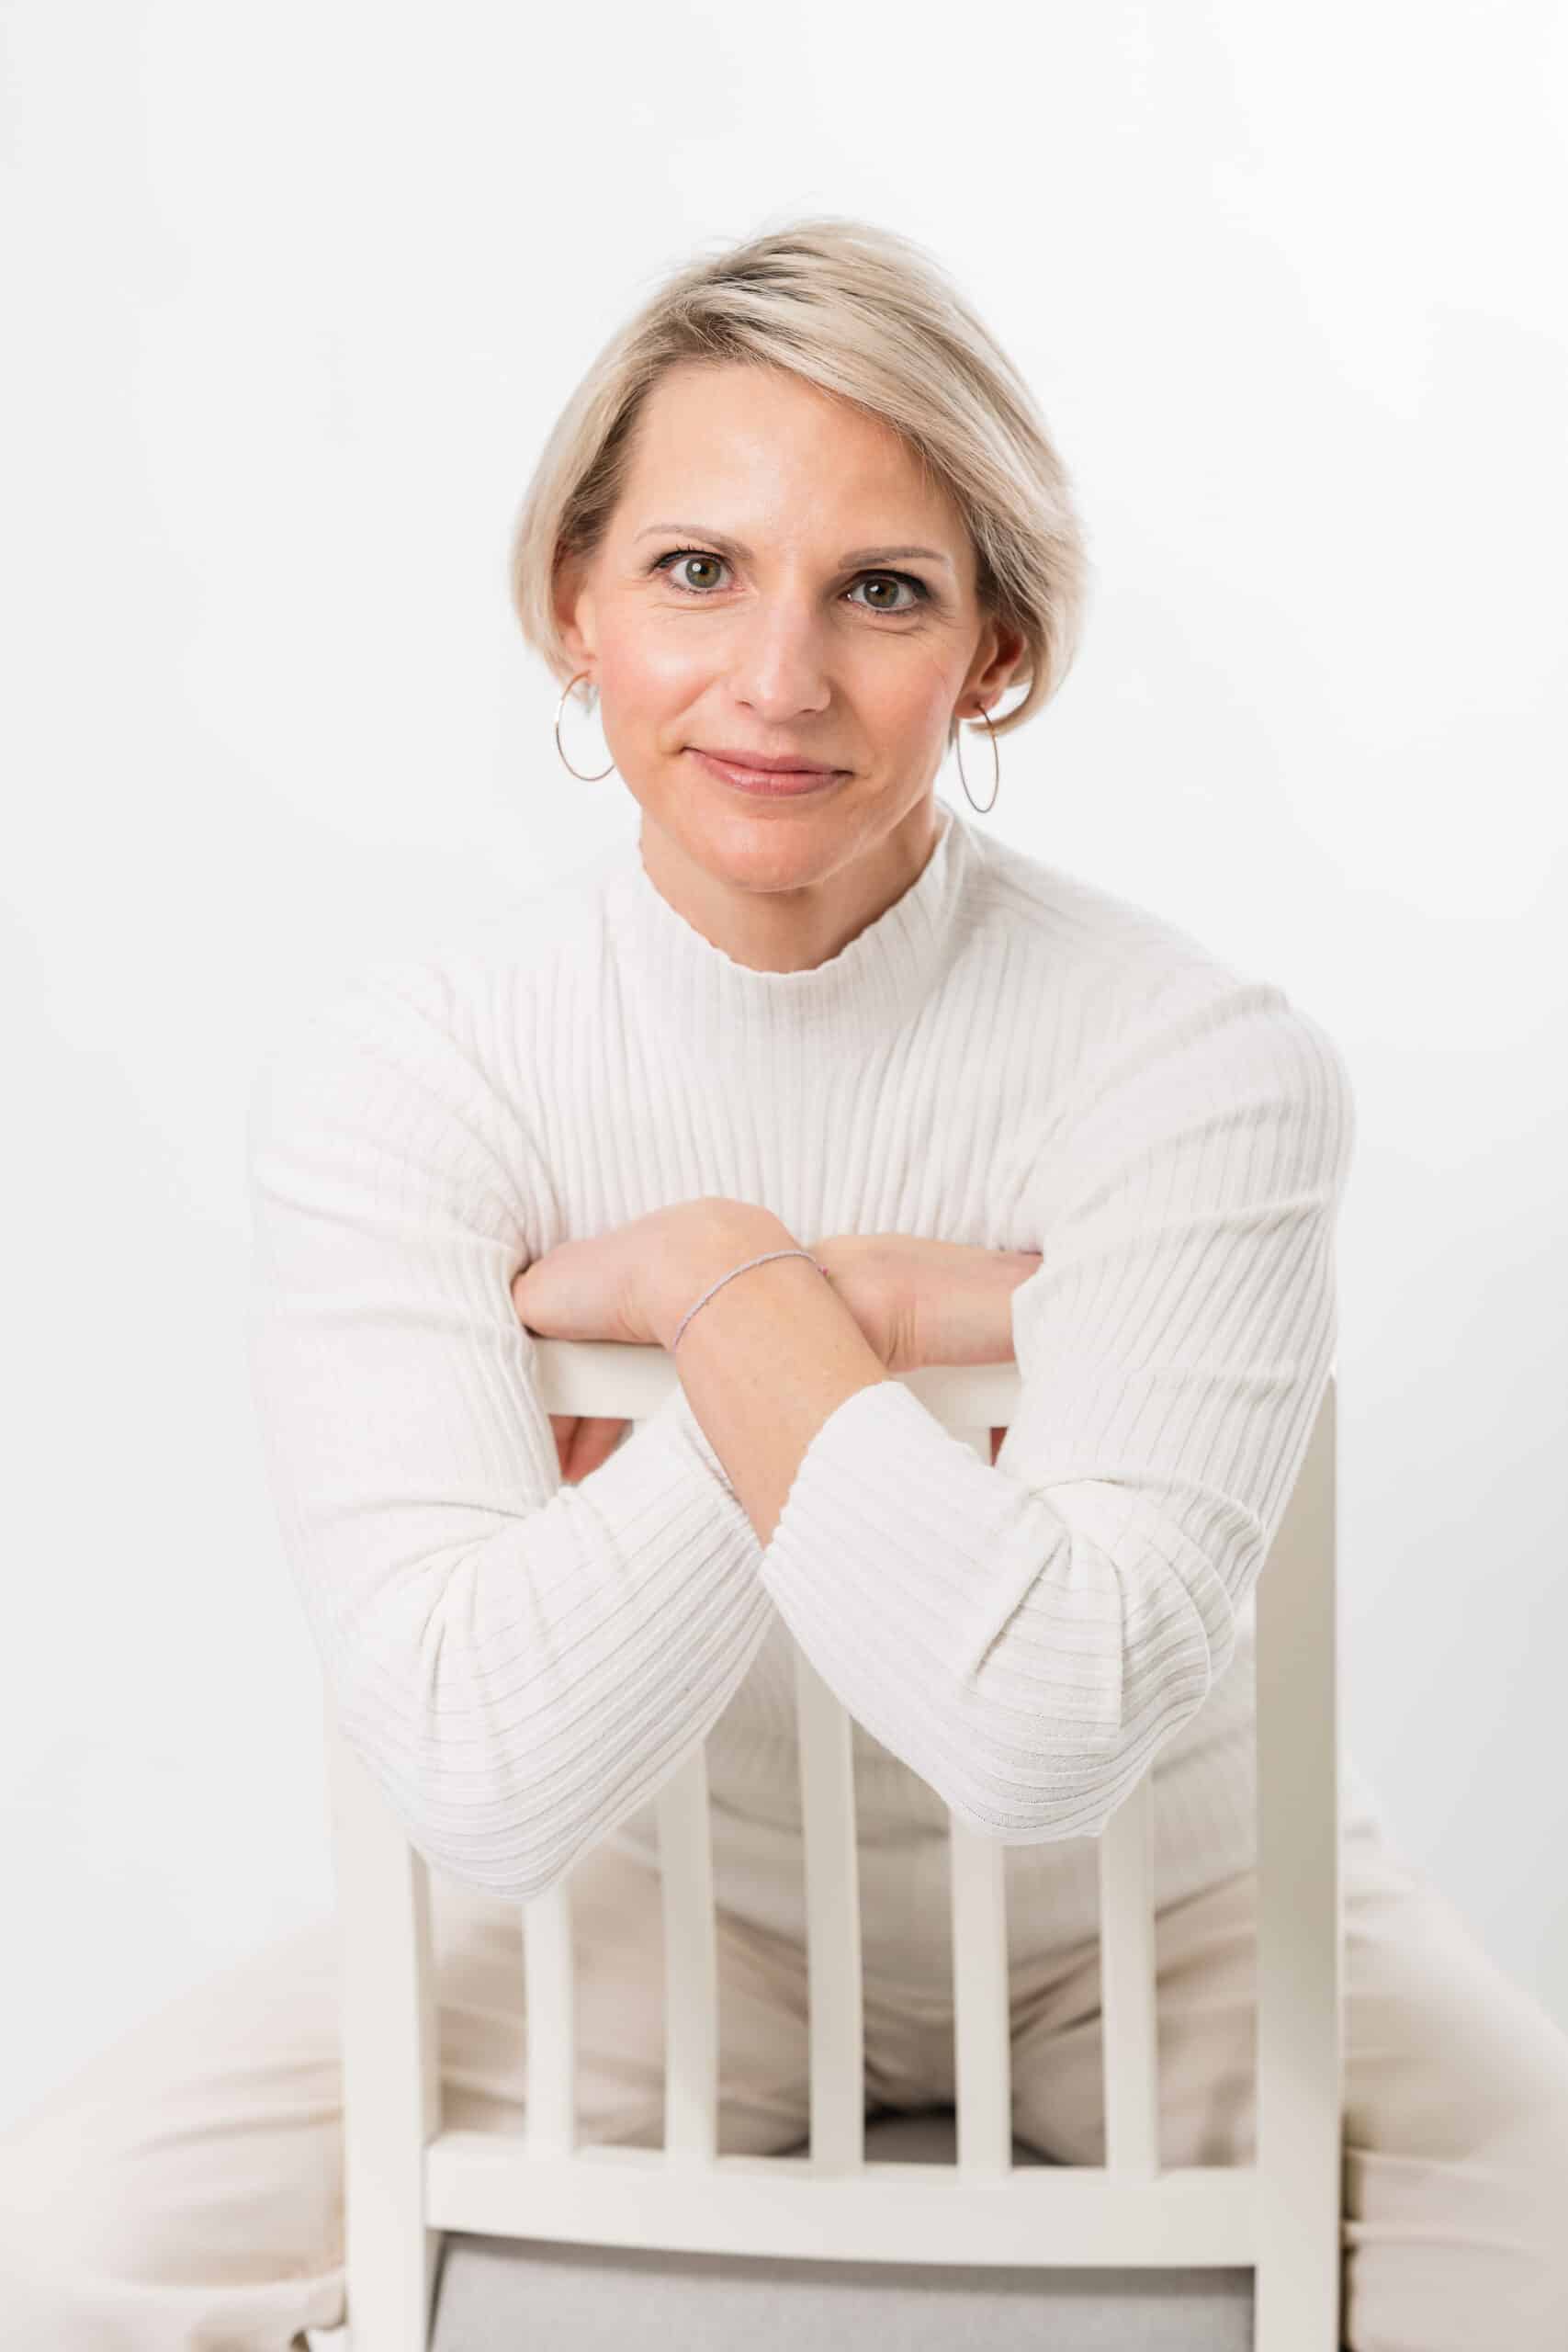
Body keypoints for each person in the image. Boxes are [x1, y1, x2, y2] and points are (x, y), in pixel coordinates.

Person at [4, 212, 1565, 2352]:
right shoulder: (420, 1071)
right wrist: (863, 1335)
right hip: (665, 1925)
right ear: (572, 601)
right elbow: (473, 1761)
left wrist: (724, 1294)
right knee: (54, 2247)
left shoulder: (1191, 1062)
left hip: (1177, 1918)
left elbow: (1049, 1724)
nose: (776, 680)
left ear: (995, 651)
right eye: (695, 569)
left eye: (882, 590)